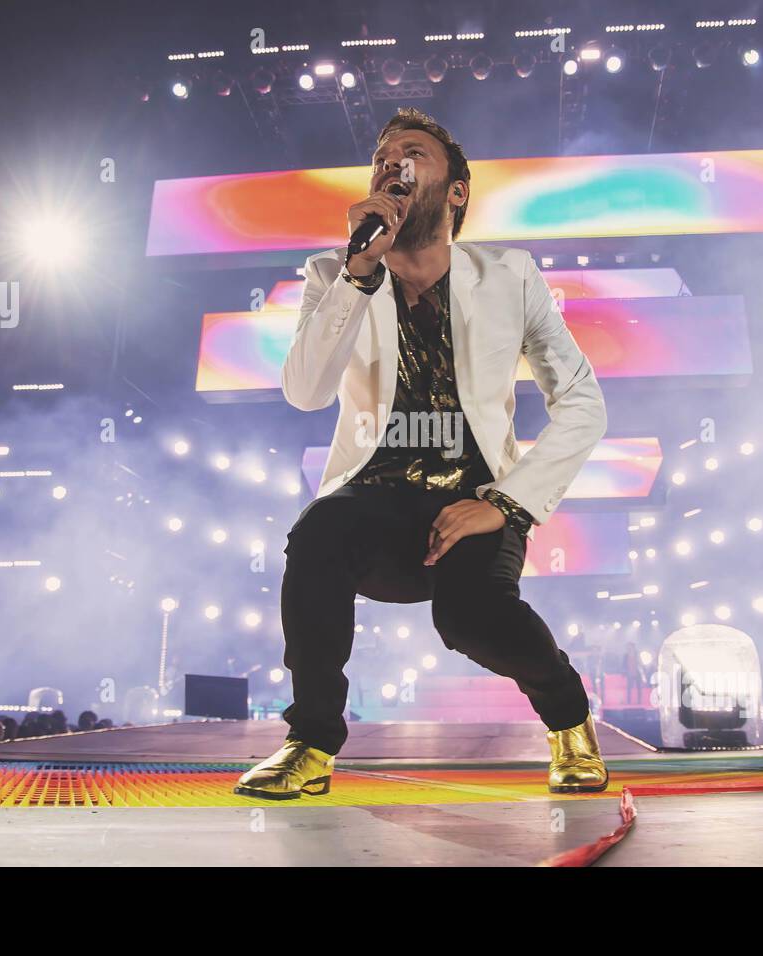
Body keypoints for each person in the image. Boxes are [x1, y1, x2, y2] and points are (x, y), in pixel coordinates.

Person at [235, 107, 610, 799]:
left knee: (468, 617)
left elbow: (584, 403)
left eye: (411, 152)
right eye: (381, 156)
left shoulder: (510, 275)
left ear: (457, 190)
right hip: (373, 498)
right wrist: (357, 274)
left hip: (474, 499)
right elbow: (307, 393)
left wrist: (504, 503)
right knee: (316, 532)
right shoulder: (334, 272)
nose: (391, 163)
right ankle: (310, 744)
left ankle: (569, 720)